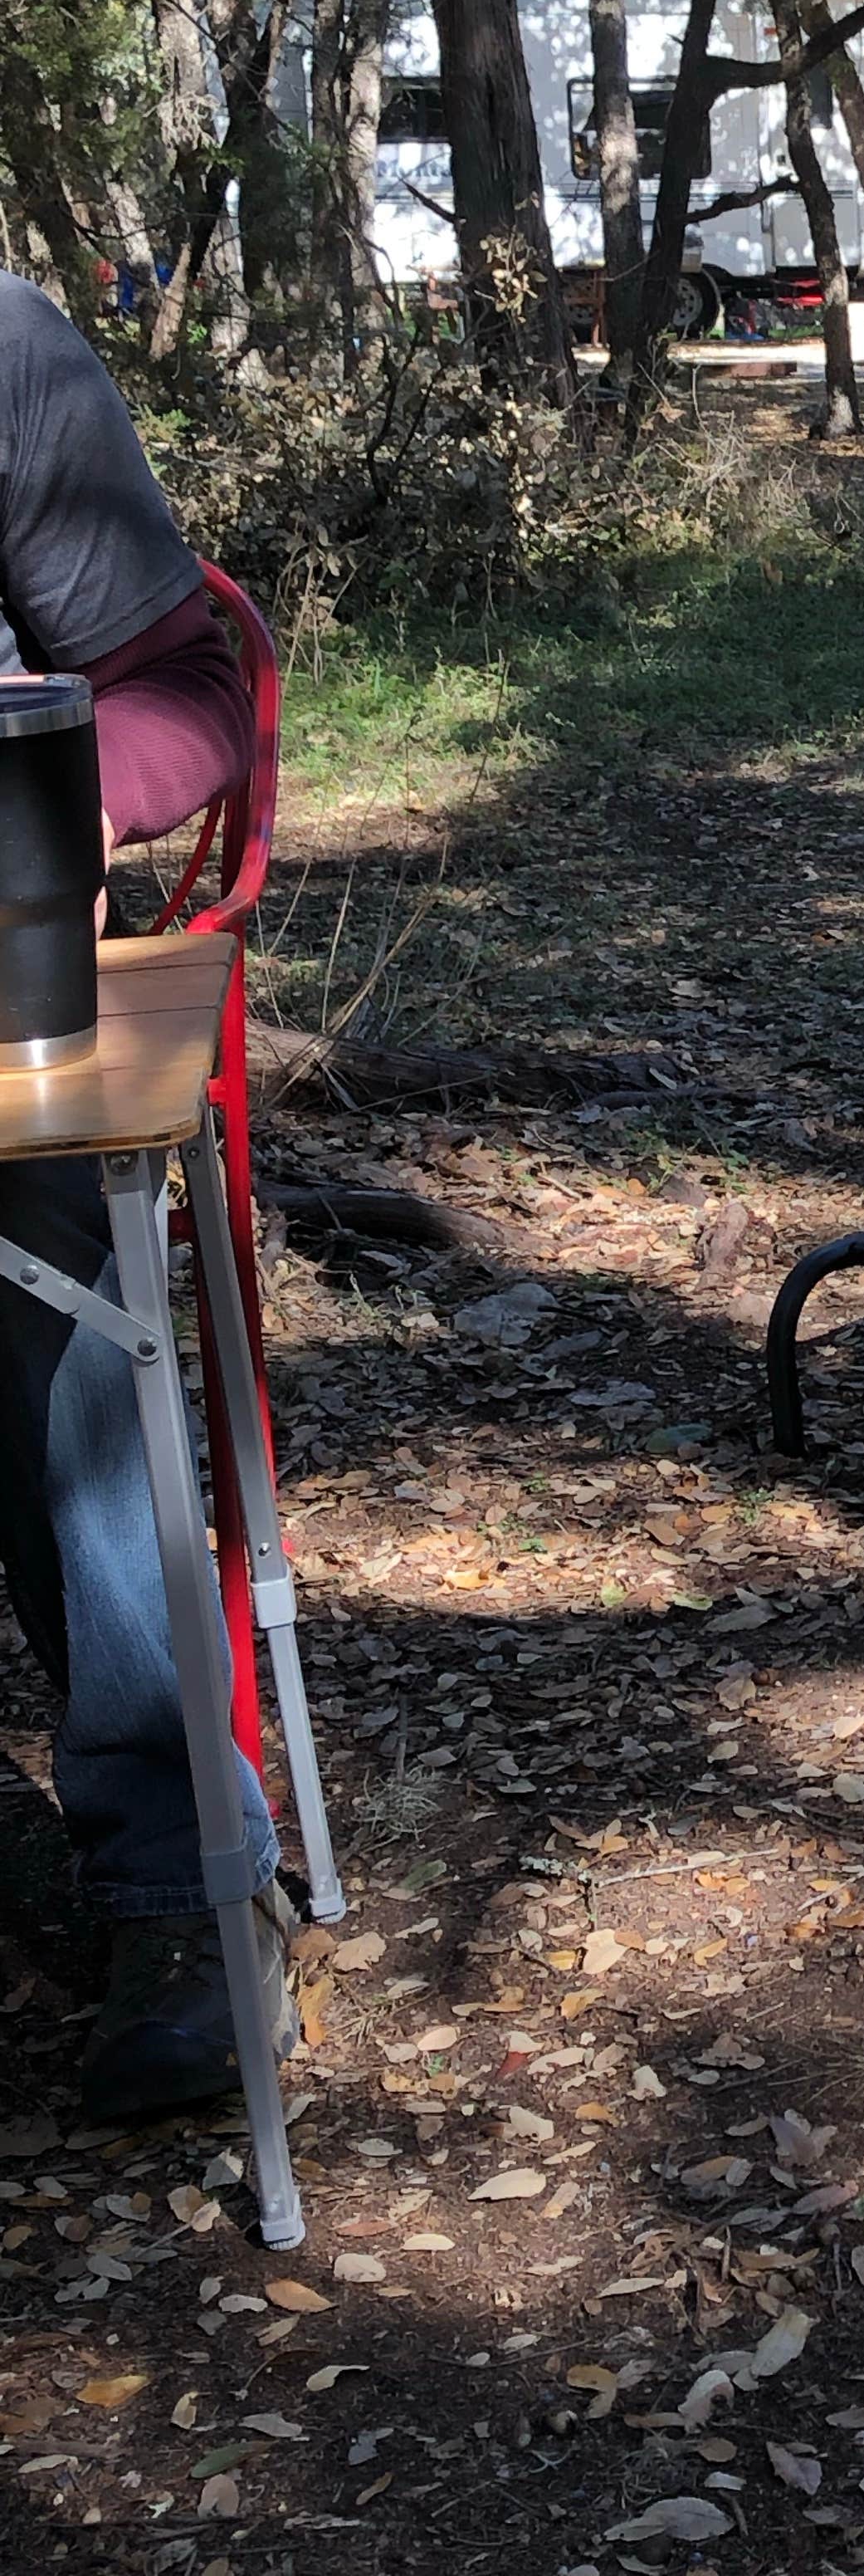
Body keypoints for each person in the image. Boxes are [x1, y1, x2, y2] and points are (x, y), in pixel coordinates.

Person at [0, 271, 294, 2121]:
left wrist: (41, 802)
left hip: (5, 1045)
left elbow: (190, 683)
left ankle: (176, 1877)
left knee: (49, 1329)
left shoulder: (4, 353)